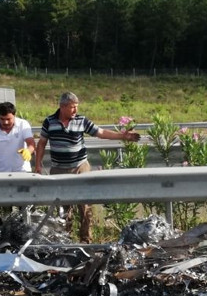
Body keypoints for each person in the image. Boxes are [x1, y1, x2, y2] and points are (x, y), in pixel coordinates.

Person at [34, 91, 140, 243]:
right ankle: (66, 239)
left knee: (85, 206)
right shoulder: (49, 122)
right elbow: (42, 143)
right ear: (62, 107)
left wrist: (123, 136)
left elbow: (101, 132)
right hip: (59, 170)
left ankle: (86, 240)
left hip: (80, 167)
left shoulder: (81, 120)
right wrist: (37, 165)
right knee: (63, 209)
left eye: (76, 107)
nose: (75, 110)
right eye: (72, 107)